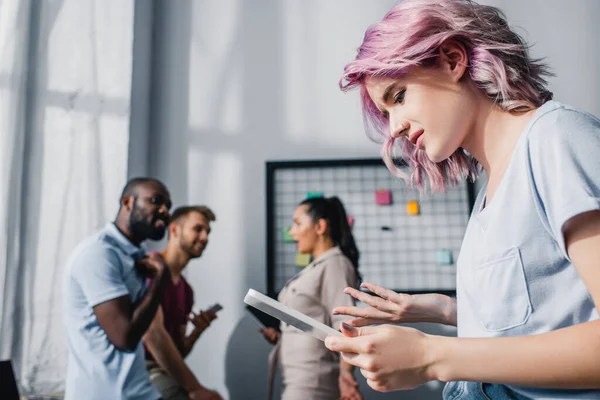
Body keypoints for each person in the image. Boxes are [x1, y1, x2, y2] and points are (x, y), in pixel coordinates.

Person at [323, 0, 600, 399]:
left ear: (453, 59)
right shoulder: (491, 190)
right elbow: (545, 319)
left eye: (398, 96)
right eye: (385, 113)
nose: (395, 128)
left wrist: (430, 356)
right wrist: (447, 311)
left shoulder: (557, 139)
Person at [63, 177, 172, 400]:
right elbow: (124, 338)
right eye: (155, 201)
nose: (164, 211)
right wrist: (161, 280)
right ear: (127, 202)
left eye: (168, 206)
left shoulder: (135, 256)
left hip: (137, 392)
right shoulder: (99, 254)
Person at [260, 196, 363, 400]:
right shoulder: (315, 268)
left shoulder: (335, 264)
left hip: (313, 381)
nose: (292, 232)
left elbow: (346, 325)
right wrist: (282, 335)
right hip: (296, 378)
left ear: (320, 226)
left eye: (298, 223)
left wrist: (345, 374)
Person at [144, 205, 222, 400]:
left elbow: (178, 352)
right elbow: (152, 336)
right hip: (140, 367)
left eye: (207, 232)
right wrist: (194, 388)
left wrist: (197, 332)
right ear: (174, 230)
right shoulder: (150, 269)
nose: (205, 237)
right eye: (198, 229)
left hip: (163, 369)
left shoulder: (186, 291)